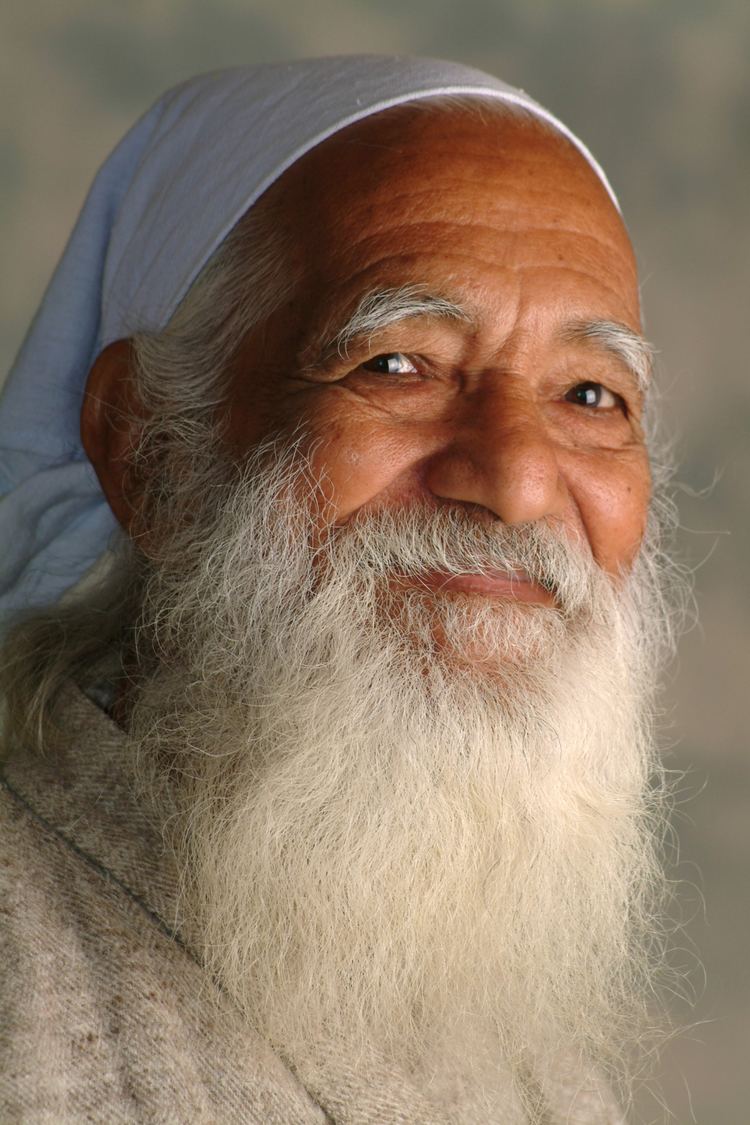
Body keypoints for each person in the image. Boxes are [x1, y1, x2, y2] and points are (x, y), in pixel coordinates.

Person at [0, 56, 681, 1123]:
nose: (515, 480)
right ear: (150, 454)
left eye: (591, 395)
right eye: (397, 366)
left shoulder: (486, 985)